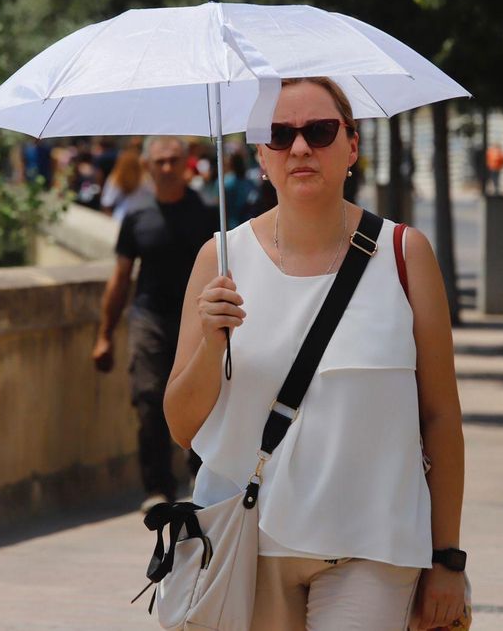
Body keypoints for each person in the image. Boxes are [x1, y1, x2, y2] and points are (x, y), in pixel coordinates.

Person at [163, 78, 469, 629]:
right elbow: (183, 427)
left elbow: (442, 418)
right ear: (261, 155)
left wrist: (448, 558)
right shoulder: (221, 260)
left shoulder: (405, 254)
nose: (300, 148)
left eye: (320, 131)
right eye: (279, 135)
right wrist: (211, 344)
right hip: (248, 542)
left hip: (373, 545)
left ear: (352, 145)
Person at [92, 136, 217, 512]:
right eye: (159, 162)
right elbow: (120, 278)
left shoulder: (208, 213)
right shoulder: (136, 217)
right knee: (148, 399)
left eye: (173, 161)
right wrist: (104, 335)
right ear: (147, 166)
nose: (167, 168)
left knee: (203, 400)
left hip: (196, 319)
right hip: (149, 317)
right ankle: (158, 487)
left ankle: (201, 473)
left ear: (186, 164)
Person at [100, 144, 154, 223]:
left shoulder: (115, 178)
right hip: (141, 220)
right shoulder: (146, 179)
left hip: (120, 218)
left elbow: (107, 203)